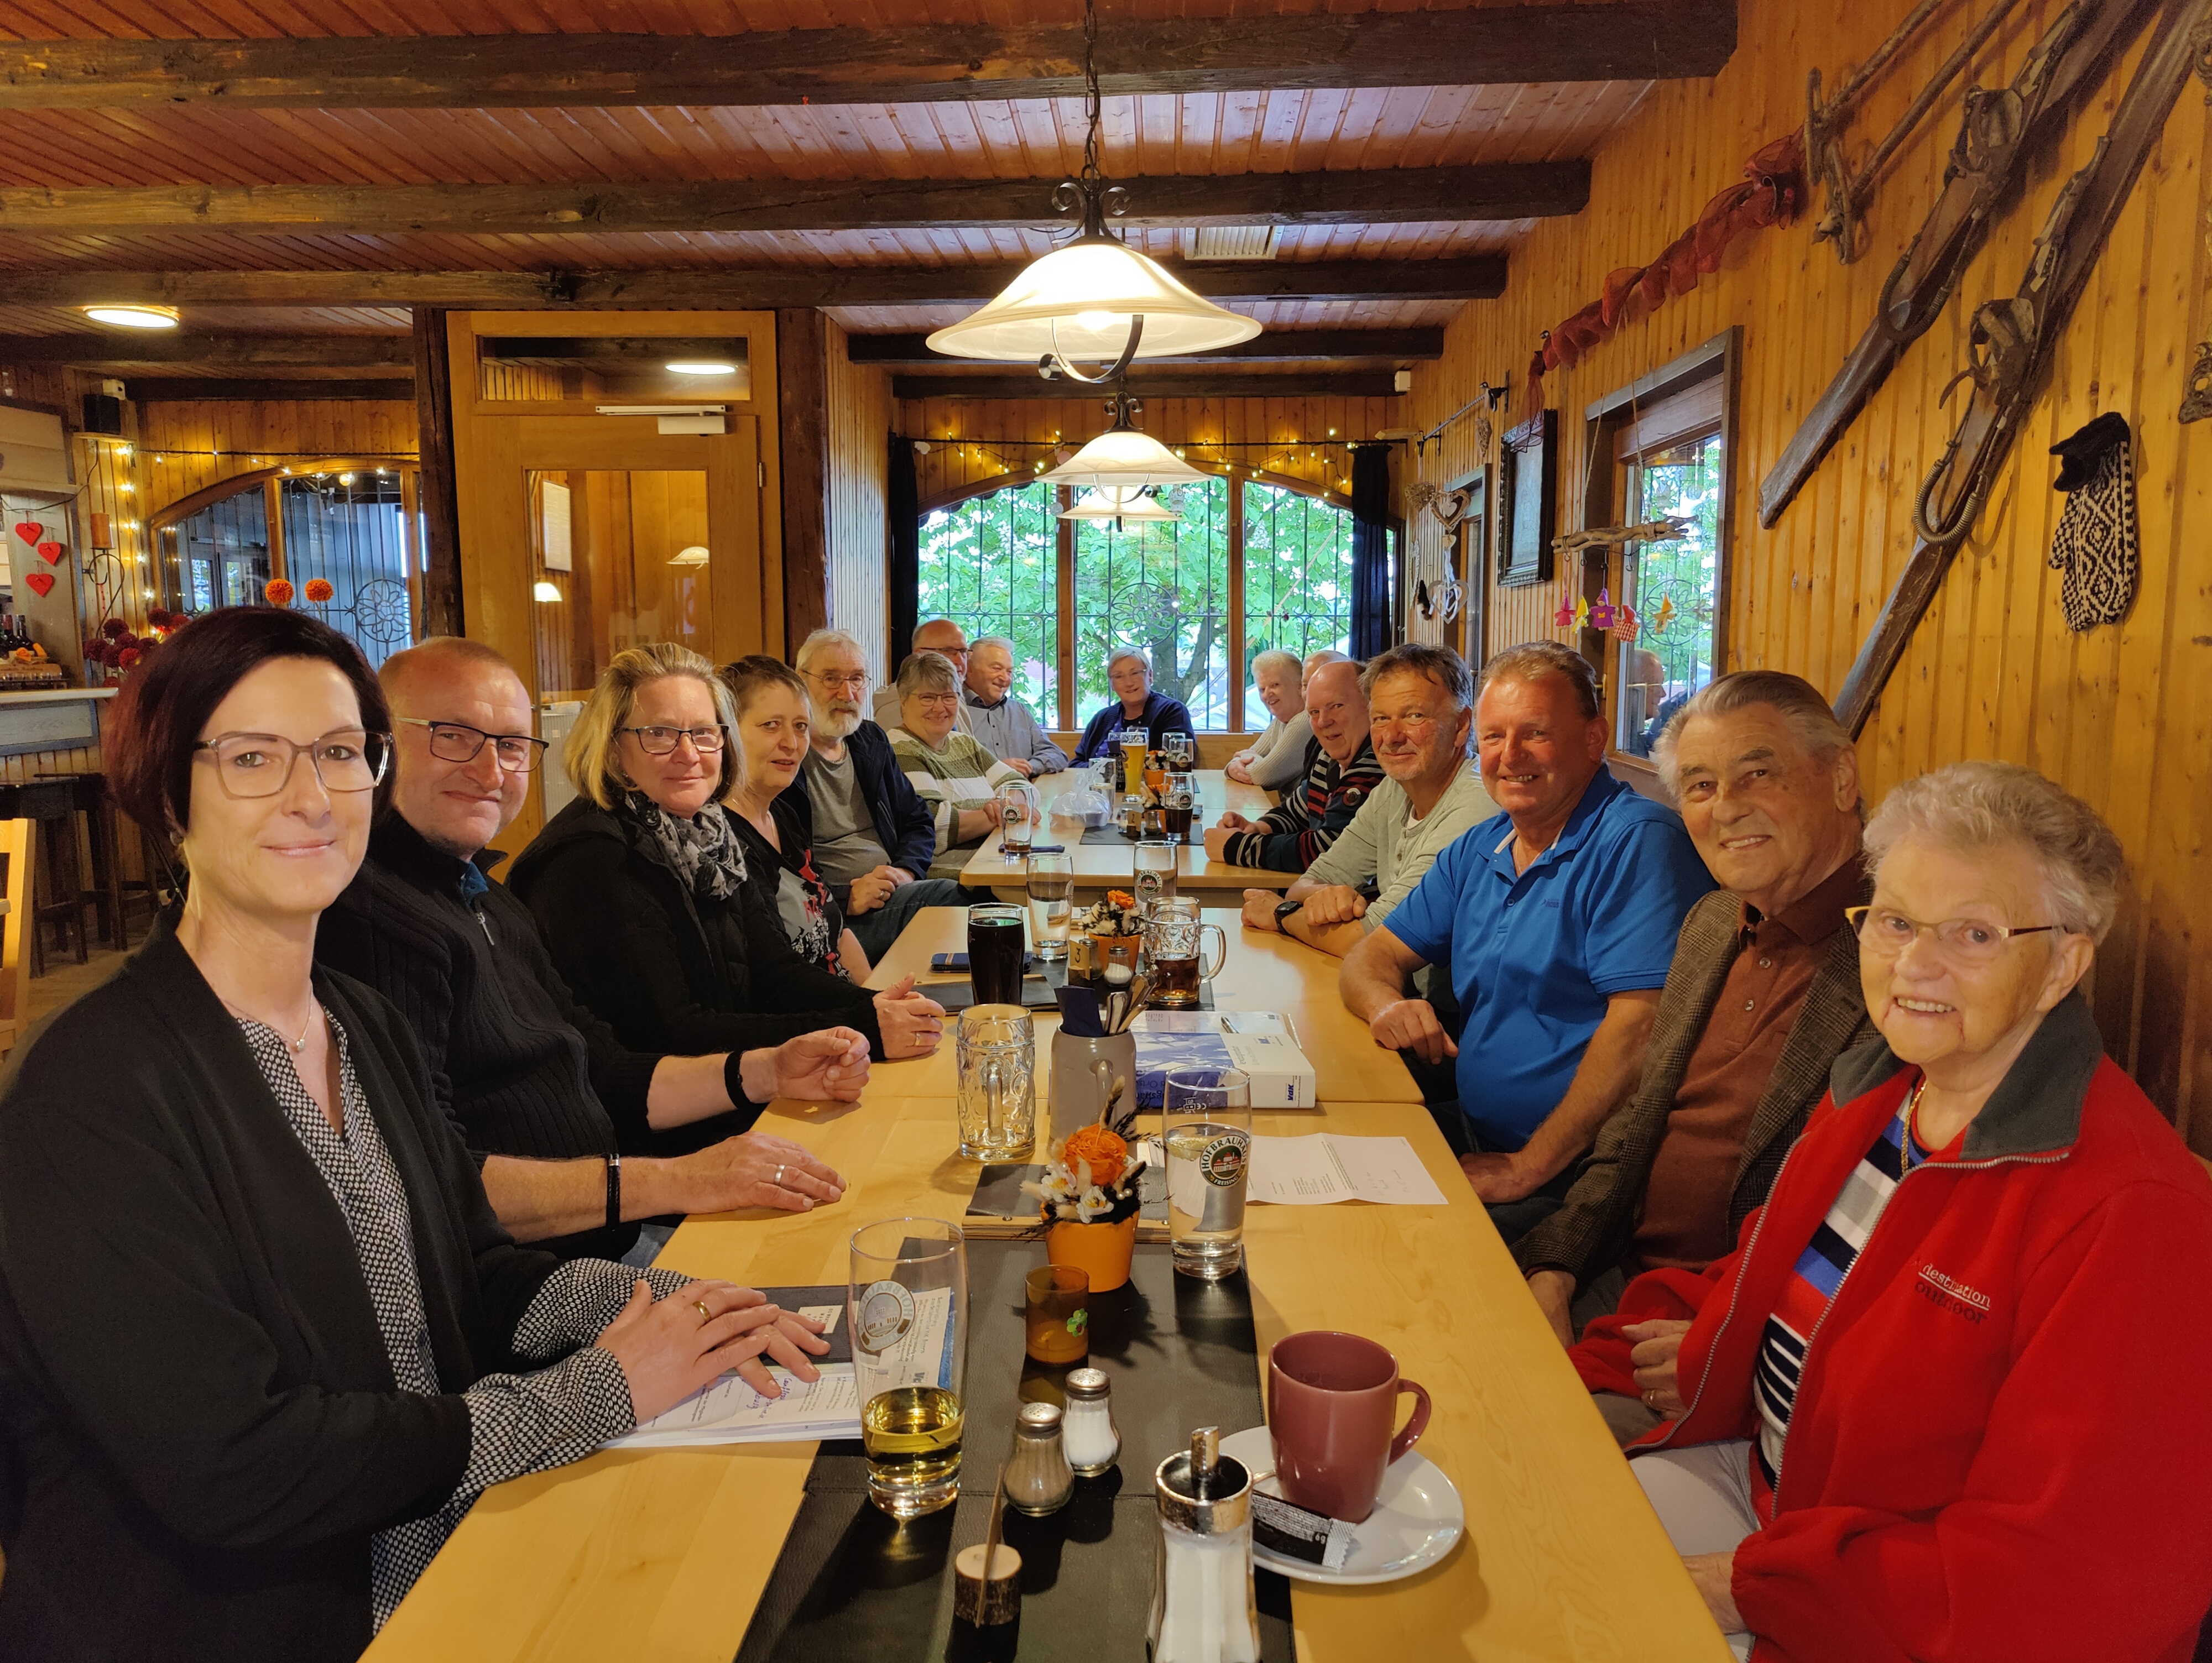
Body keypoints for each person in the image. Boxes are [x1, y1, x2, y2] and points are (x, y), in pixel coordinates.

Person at [0, 608, 833, 1660]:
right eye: (254, 757)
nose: (313, 795)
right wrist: (598, 1392)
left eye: (341, 752)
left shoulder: (358, 1019)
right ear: (172, 793)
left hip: (443, 1555)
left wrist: (673, 1306)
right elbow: (236, 1461)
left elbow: (468, 1269)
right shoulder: (93, 1089)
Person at [1574, 761, 2212, 1662]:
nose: (1915, 963)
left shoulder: (2138, 1216)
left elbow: (2066, 1587)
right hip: (1765, 1492)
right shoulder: (1882, 1093)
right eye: (1897, 920)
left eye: (1975, 933)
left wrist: (1724, 1585)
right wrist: (1580, 1360)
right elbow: (1762, 1276)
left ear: (2064, 962)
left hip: (1881, 1618)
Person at [320, 636, 856, 1267]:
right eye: (454, 735)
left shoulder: (486, 899)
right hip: (542, 1280)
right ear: (375, 744)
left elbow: (599, 1063)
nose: (491, 771)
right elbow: (431, 1181)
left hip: (617, 1233)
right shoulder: (372, 918)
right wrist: (686, 1179)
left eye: (512, 745)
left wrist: (768, 1068)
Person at [1514, 673, 1871, 1425]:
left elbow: (1878, 1230)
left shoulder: (1899, 956)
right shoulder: (1713, 921)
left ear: (1840, 778)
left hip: (1718, 1342)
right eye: (1701, 785)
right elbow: (1637, 1123)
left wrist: (1744, 1346)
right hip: (1619, 1280)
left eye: (1758, 774)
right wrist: (1557, 1263)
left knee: (1498, 1449)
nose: (1727, 806)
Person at [1340, 642, 1714, 1242]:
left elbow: (1641, 1032)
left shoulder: (1638, 841)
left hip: (1573, 1175)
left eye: (1534, 733)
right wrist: (1387, 1005)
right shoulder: (1482, 844)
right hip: (1474, 1131)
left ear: (1595, 738)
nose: (1509, 756)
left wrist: (1527, 1167)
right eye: (1493, 737)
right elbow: (1370, 956)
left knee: (1384, 1244)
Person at [507, 644, 947, 1120]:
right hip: (665, 1131)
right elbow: (674, 1034)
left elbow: (773, 972)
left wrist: (874, 1005)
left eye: (703, 733)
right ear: (613, 747)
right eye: (658, 733)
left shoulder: (706, 829)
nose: (688, 753)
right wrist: (861, 1024)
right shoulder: (592, 860)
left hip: (746, 1087)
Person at [1239, 644, 1495, 1119]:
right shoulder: (1393, 791)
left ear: (1462, 726)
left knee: (1274, 1088)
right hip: (1392, 1002)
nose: (1393, 737)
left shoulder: (1476, 806)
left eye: (1413, 716)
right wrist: (1316, 900)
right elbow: (1310, 881)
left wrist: (1280, 914)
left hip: (1449, 1039)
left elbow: (1370, 934)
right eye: (1381, 719)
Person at [791, 627, 969, 964]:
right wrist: (845, 898)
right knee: (953, 898)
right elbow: (777, 872)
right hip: (835, 920)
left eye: (857, 679)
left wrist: (905, 871)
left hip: (893, 891)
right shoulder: (786, 757)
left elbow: (918, 820)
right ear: (800, 681)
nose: (847, 692)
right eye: (831, 678)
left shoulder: (869, 740)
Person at [721, 653, 870, 981]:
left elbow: (837, 930)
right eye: (770, 725)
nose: (791, 743)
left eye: (801, 726)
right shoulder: (721, 838)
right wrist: (871, 1013)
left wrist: (879, 997)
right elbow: (773, 979)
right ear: (727, 730)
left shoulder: (783, 814)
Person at [1205, 658, 1383, 871]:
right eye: (1314, 712)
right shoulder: (1328, 757)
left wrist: (1235, 847)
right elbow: (1296, 811)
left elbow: (1329, 849)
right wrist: (1258, 828)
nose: (1323, 722)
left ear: (1371, 706)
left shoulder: (1374, 764)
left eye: (1336, 706)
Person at [884, 650, 1025, 880]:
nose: (940, 708)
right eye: (928, 698)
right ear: (903, 702)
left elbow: (1021, 785)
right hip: (956, 880)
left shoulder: (963, 742)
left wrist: (1007, 804)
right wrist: (1007, 812)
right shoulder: (899, 747)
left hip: (997, 864)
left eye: (949, 697)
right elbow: (934, 824)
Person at [1068, 647, 1198, 764]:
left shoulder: (1171, 711)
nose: (1129, 683)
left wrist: (1105, 772)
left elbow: (1173, 763)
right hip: (1097, 790)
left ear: (1150, 676)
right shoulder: (1103, 718)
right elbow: (1076, 764)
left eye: (1135, 673)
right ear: (1112, 685)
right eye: (1119, 677)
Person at [962, 635, 1067, 777]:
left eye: (1009, 672)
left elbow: (1057, 755)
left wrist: (1030, 767)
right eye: (996, 669)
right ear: (969, 669)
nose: (1005, 678)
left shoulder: (1019, 711)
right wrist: (995, 768)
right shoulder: (952, 711)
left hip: (1024, 795)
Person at [871, 616, 972, 733]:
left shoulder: (955, 694)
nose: (960, 660)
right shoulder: (902, 706)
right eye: (948, 651)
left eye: (963, 651)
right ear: (919, 655)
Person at [1225, 647, 1304, 786]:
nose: (1267, 694)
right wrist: (1232, 767)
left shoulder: (1304, 721)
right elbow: (1240, 762)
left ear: (1300, 686)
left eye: (1275, 685)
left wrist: (1247, 757)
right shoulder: (1280, 720)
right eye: (1262, 689)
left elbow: (1263, 776)